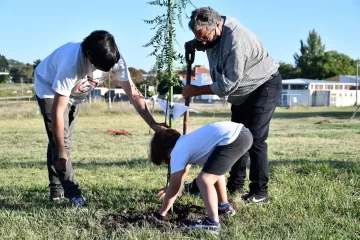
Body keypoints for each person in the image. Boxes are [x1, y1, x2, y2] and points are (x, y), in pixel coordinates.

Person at [34, 30, 166, 207]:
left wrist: (153, 124)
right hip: (49, 88)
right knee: (60, 144)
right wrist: (61, 150)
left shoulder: (115, 59)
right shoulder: (71, 64)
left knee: (62, 142)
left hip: (76, 94)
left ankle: (57, 189)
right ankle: (73, 194)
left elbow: (133, 94)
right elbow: (58, 111)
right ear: (89, 56)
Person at [182, 7, 282, 204]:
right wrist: (198, 44)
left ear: (217, 25)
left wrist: (198, 90)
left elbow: (229, 83)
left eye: (204, 37)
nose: (203, 41)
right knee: (236, 137)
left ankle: (260, 192)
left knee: (255, 139)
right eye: (197, 37)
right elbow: (210, 43)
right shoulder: (213, 34)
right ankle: (235, 185)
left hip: (263, 85)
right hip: (242, 92)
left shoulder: (237, 41)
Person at [150, 121, 253, 233]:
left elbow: (175, 187)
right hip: (242, 133)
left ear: (168, 151)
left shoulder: (177, 151)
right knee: (214, 172)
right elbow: (182, 175)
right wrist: (172, 187)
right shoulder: (186, 143)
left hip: (234, 138)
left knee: (204, 180)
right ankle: (224, 206)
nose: (169, 163)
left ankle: (212, 223)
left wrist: (161, 214)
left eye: (167, 161)